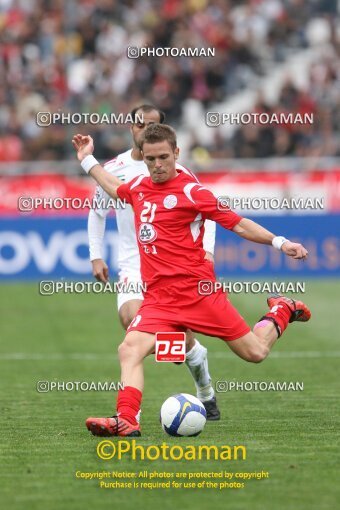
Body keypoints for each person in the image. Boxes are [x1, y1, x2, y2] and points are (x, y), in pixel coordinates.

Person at [72, 124, 311, 438]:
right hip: (159, 300)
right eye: (150, 159)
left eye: (163, 157)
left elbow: (238, 225)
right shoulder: (140, 187)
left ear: (176, 154)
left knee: (255, 353)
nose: (157, 165)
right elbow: (114, 186)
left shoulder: (191, 191)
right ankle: (127, 419)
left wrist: (280, 243)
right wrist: (87, 160)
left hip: (200, 295)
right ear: (142, 157)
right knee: (129, 349)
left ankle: (281, 308)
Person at [87, 104, 220, 420]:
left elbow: (209, 213)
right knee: (131, 321)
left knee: (172, 339)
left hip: (174, 267)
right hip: (133, 265)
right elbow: (97, 211)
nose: (142, 130)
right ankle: (134, 410)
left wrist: (208, 252)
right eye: (137, 124)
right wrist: (95, 255)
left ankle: (204, 388)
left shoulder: (178, 171)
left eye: (150, 125)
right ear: (130, 128)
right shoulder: (115, 168)